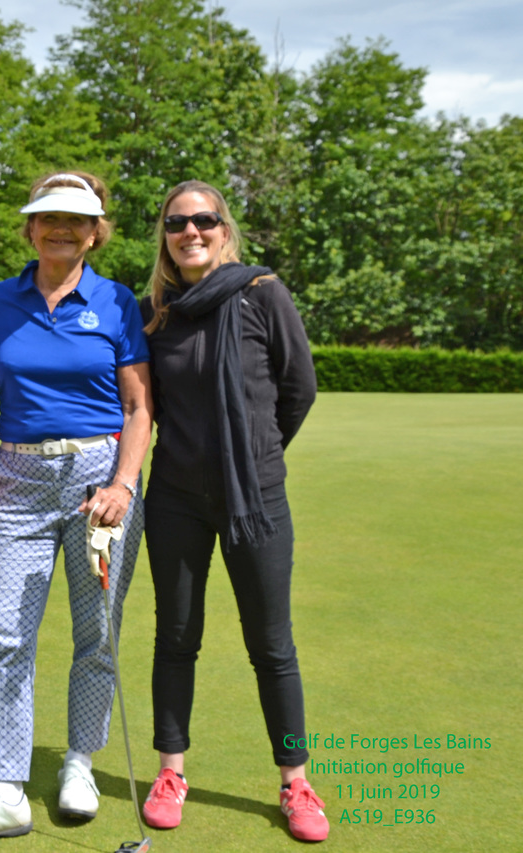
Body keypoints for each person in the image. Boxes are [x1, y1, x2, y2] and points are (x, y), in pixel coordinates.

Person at [0, 172, 152, 848]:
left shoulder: (116, 301)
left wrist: (123, 484)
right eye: (49, 217)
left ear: (95, 232)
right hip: (21, 477)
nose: (62, 228)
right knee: (5, 633)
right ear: (30, 227)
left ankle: (79, 762)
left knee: (97, 633)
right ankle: (6, 789)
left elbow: (138, 407)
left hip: (99, 479)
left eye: (77, 219)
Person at [136, 180, 326, 841]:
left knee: (272, 646)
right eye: (177, 222)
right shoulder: (153, 311)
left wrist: (256, 456)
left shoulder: (263, 293)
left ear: (224, 228)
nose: (191, 231)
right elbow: (143, 403)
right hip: (175, 499)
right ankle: (171, 772)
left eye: (204, 219)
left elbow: (298, 388)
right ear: (164, 235)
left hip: (257, 498)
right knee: (175, 637)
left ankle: (296, 781)